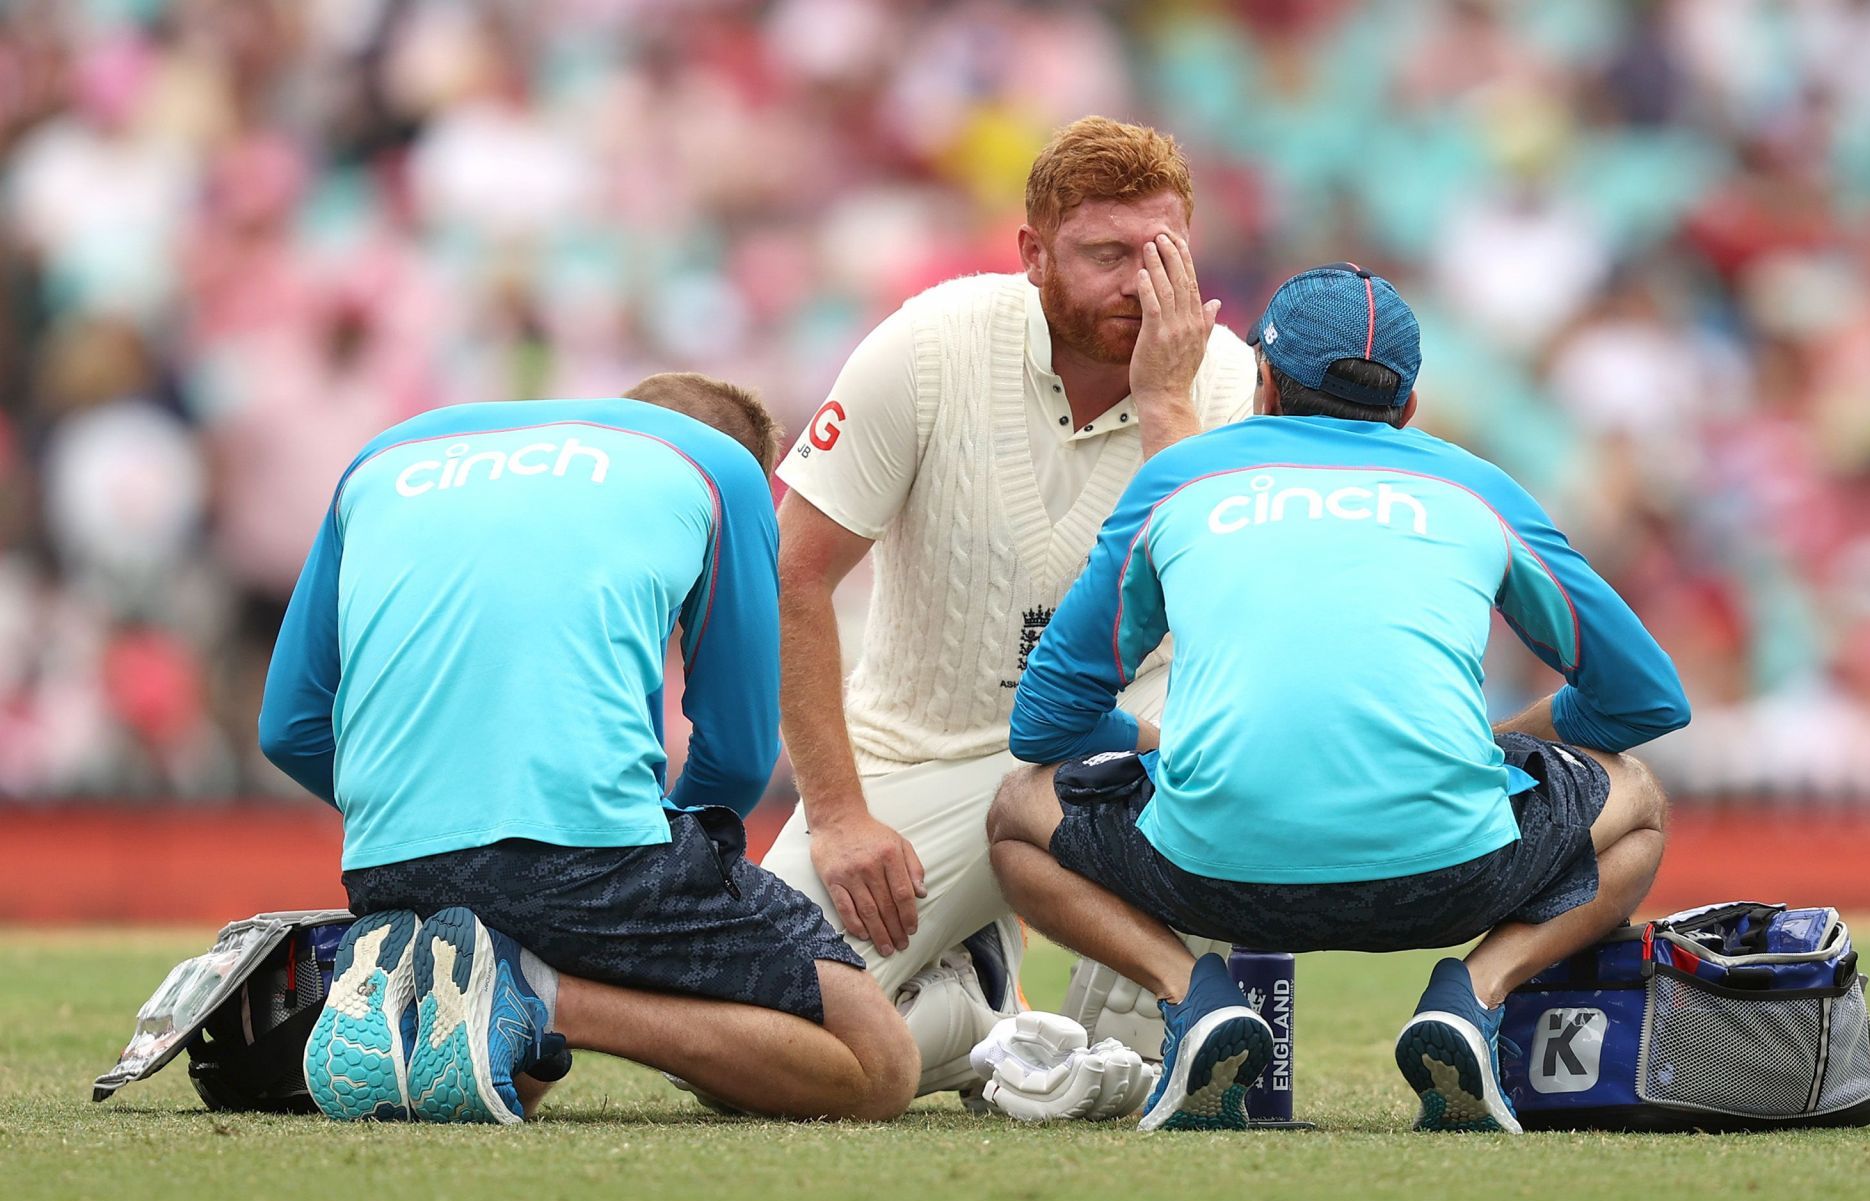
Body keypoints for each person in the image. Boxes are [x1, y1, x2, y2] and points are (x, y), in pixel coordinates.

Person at [985, 263, 1691, 1131]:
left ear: (1264, 384)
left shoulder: (1182, 479)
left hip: (1206, 874)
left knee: (1017, 815)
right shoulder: (1476, 486)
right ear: (1409, 408)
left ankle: (1191, 1000)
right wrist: (1515, 735)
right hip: (1452, 878)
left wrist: (1156, 742)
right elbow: (1648, 700)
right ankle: (1472, 995)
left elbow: (1043, 723)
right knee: (1643, 802)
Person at [259, 376, 919, 1125]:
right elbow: (736, 757)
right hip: (589, 854)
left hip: (388, 866)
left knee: (521, 1072)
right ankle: (538, 991)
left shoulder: (384, 453)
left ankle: (451, 978)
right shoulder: (718, 468)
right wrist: (655, 860)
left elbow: (289, 727)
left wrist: (430, 818)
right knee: (877, 1067)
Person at [764, 116, 1255, 1100]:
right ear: (1033, 255)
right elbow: (794, 576)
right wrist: (840, 815)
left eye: (1162, 254)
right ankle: (985, 1005)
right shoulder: (927, 344)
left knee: (1236, 755)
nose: (1137, 284)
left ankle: (1119, 1019)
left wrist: (1167, 404)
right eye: (1106, 254)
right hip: (918, 754)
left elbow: (1226, 614)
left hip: (1112, 752)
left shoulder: (1226, 375)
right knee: (766, 1037)